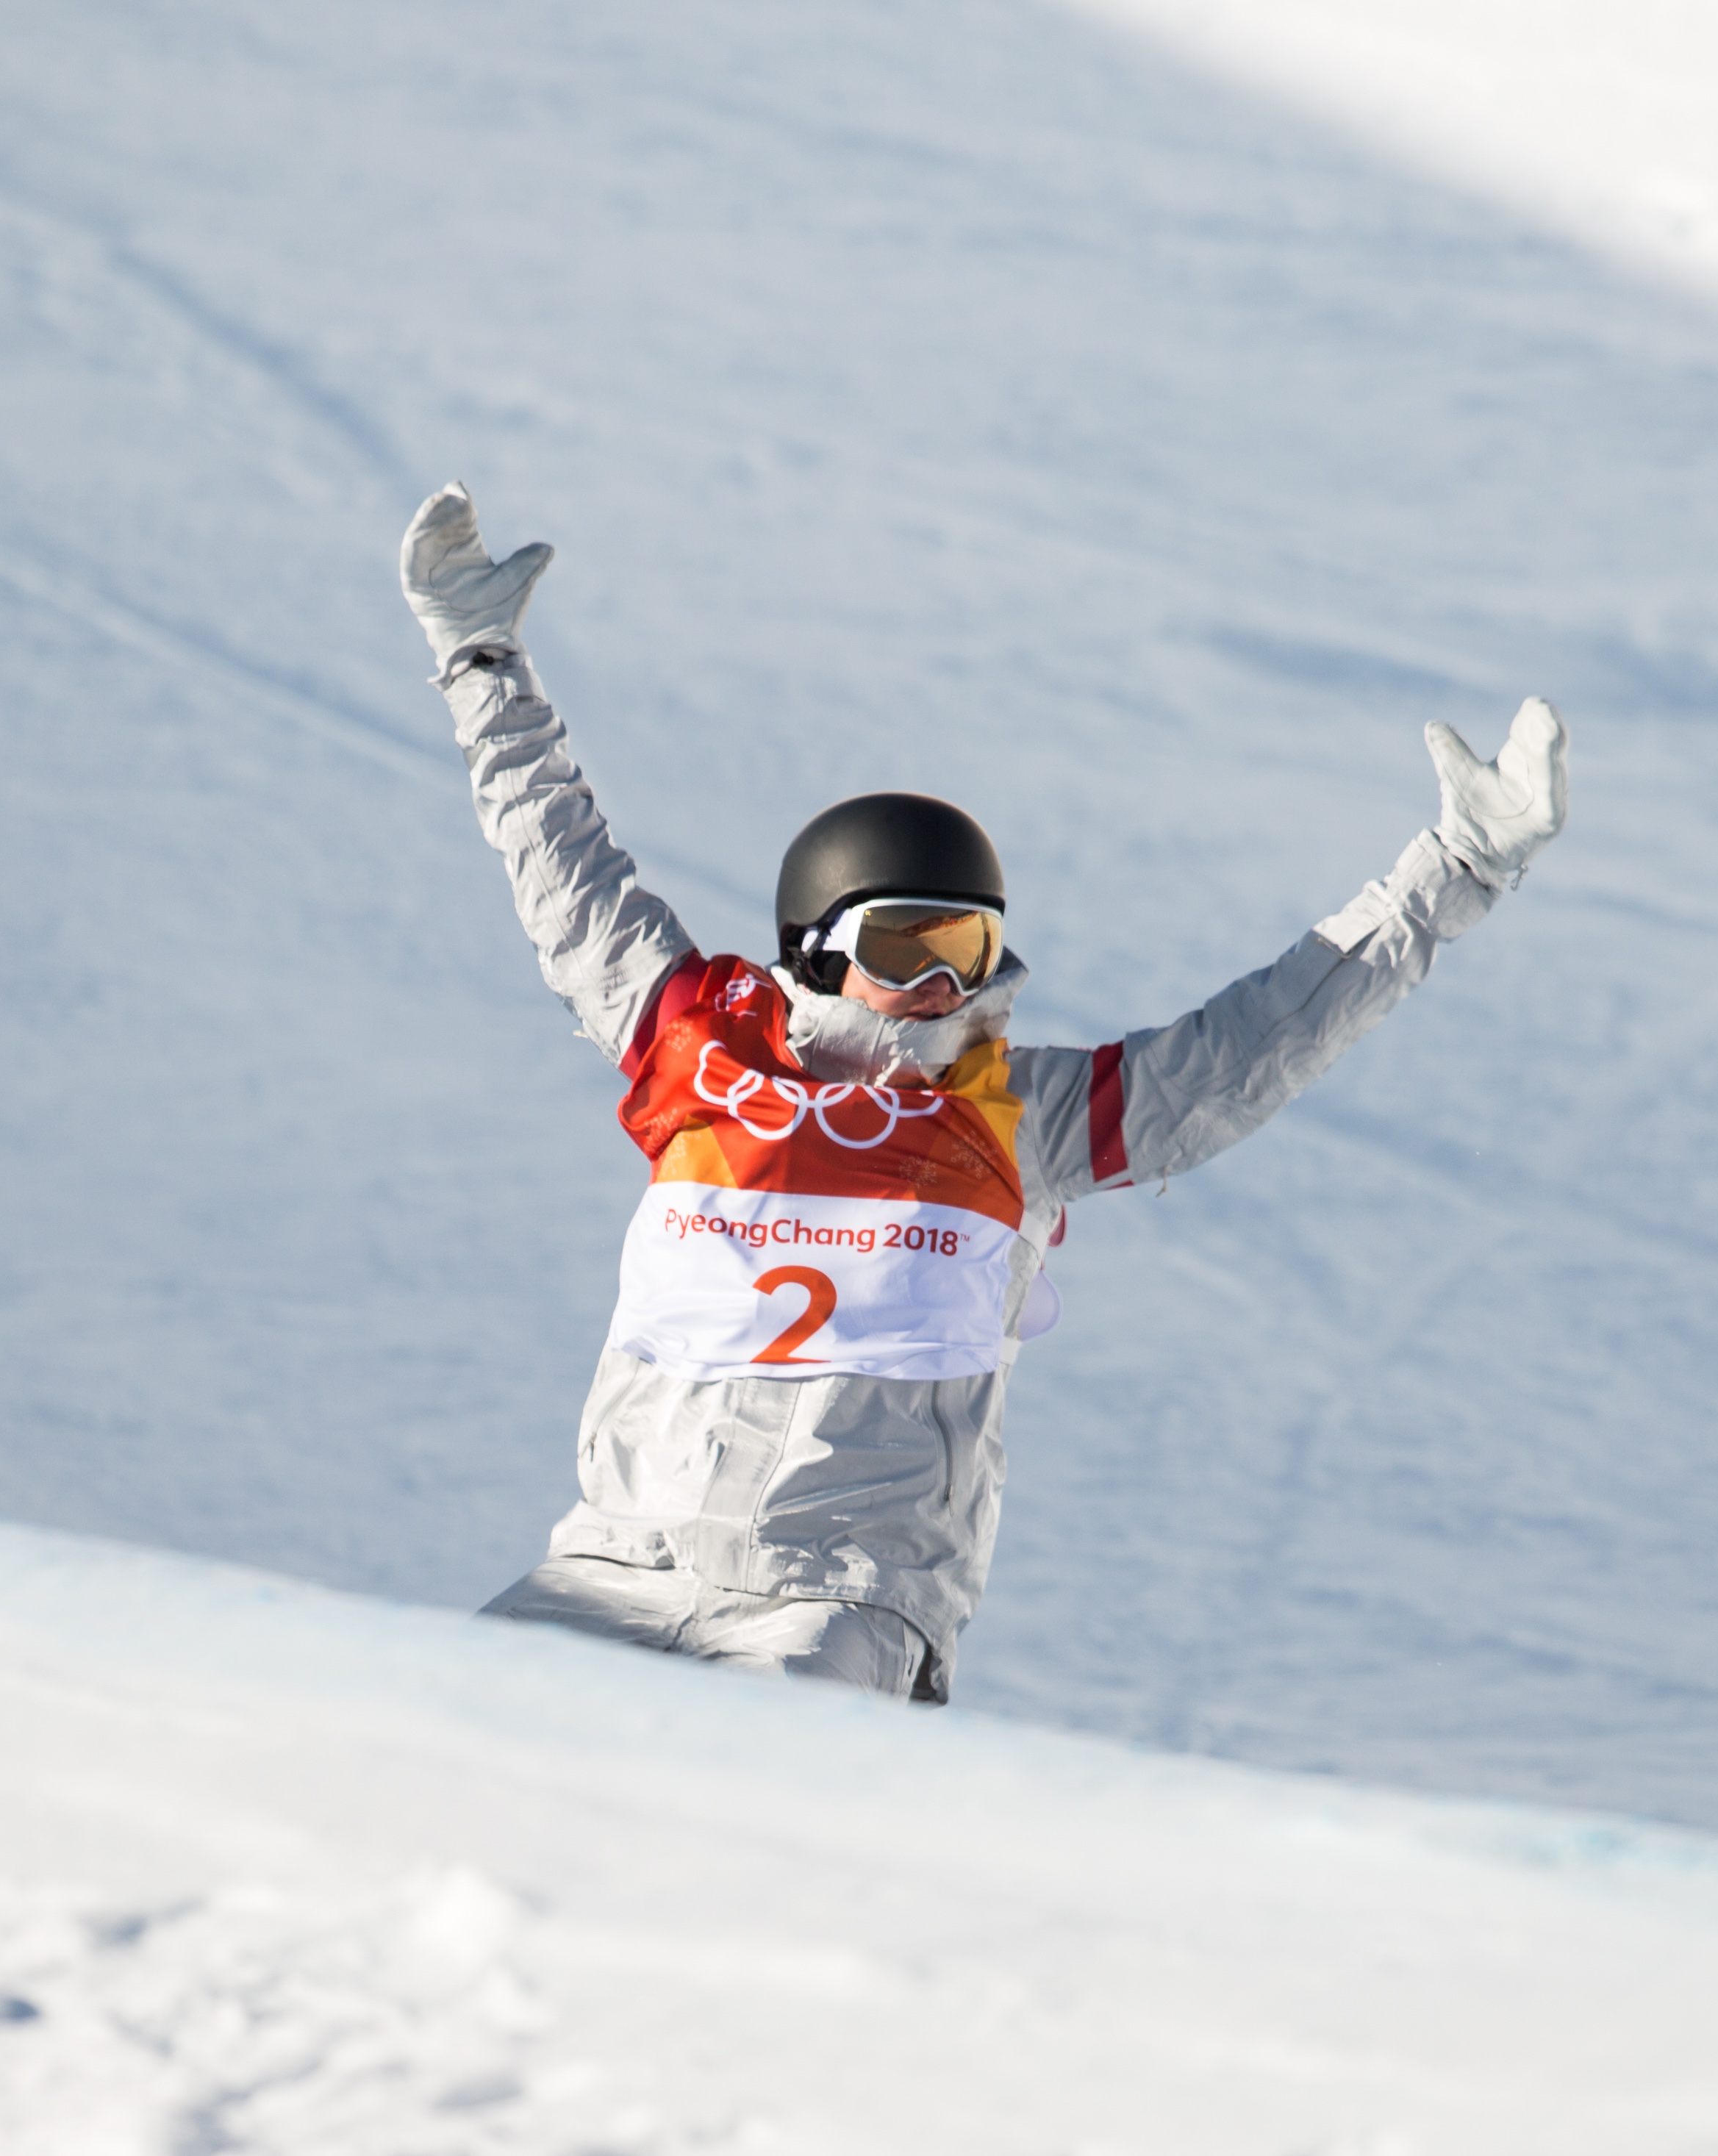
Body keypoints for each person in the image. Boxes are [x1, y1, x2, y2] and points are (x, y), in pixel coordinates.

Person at [399, 484, 1567, 1702]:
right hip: (614, 1565)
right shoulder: (696, 1044)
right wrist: (480, 657)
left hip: (837, 1594)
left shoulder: (1019, 1114)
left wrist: (1457, 868)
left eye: (966, 948)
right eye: (903, 944)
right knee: (417, 1729)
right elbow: (564, 871)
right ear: (814, 948)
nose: (939, 984)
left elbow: (1253, 1042)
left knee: (747, 1786)